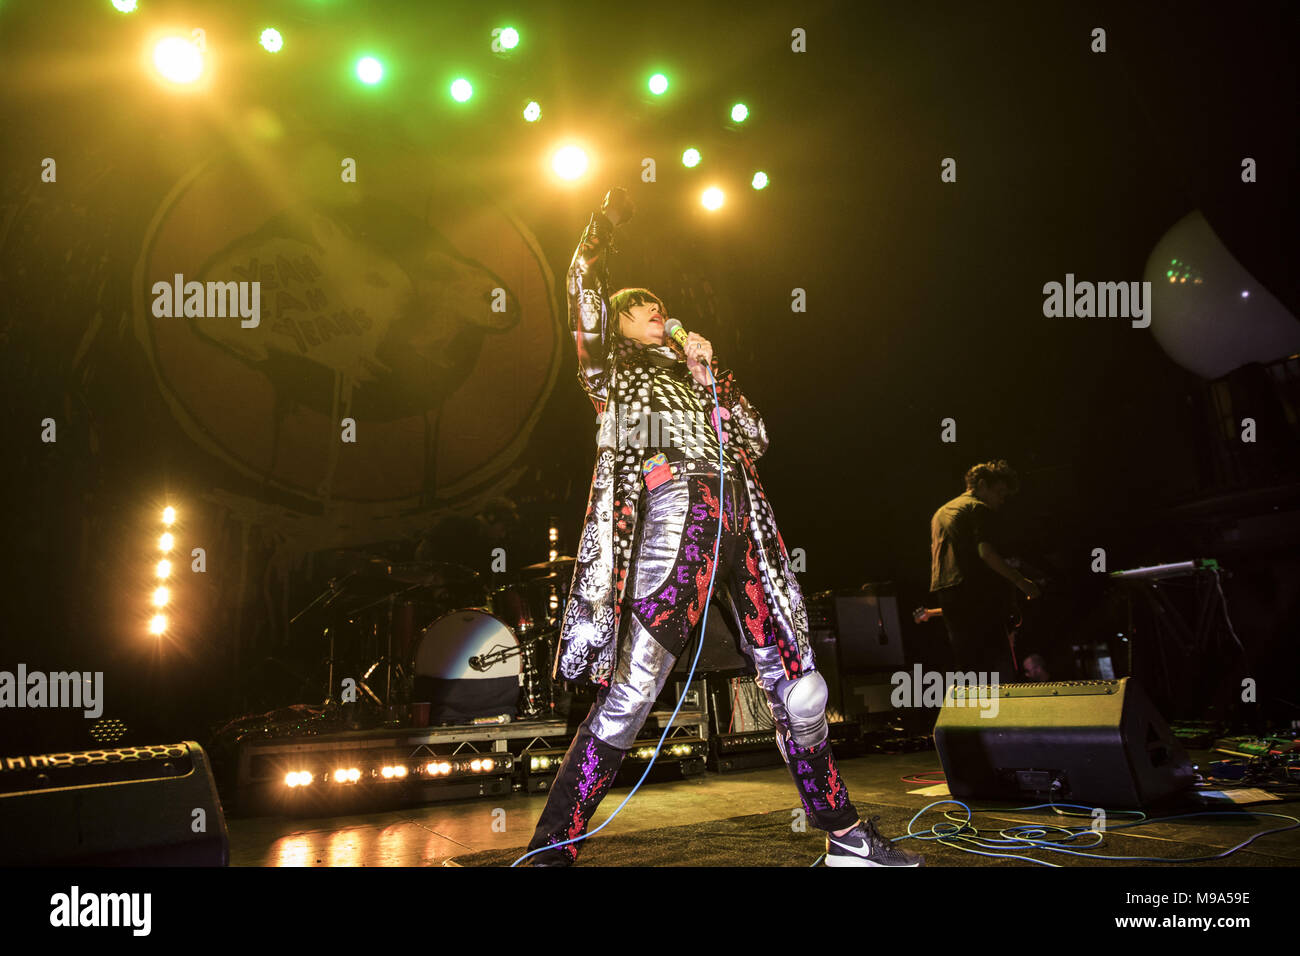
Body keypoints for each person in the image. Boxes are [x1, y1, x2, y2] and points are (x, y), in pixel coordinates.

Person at [524, 188, 922, 867]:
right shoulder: (610, 371)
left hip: (744, 520)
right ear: (620, 326)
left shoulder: (703, 376)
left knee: (802, 688)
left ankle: (846, 836)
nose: (659, 313)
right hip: (673, 522)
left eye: (659, 306)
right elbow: (583, 292)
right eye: (643, 308)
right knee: (631, 691)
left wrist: (712, 376)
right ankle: (550, 850)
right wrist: (603, 226)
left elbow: (759, 437)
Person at [929, 460, 1040, 680]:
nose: (1002, 500)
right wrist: (1021, 582)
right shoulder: (978, 508)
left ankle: (975, 712)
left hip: (946, 592)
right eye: (999, 493)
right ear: (981, 485)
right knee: (998, 665)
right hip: (975, 593)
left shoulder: (940, 513)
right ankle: (1005, 711)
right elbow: (986, 553)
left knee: (969, 665)